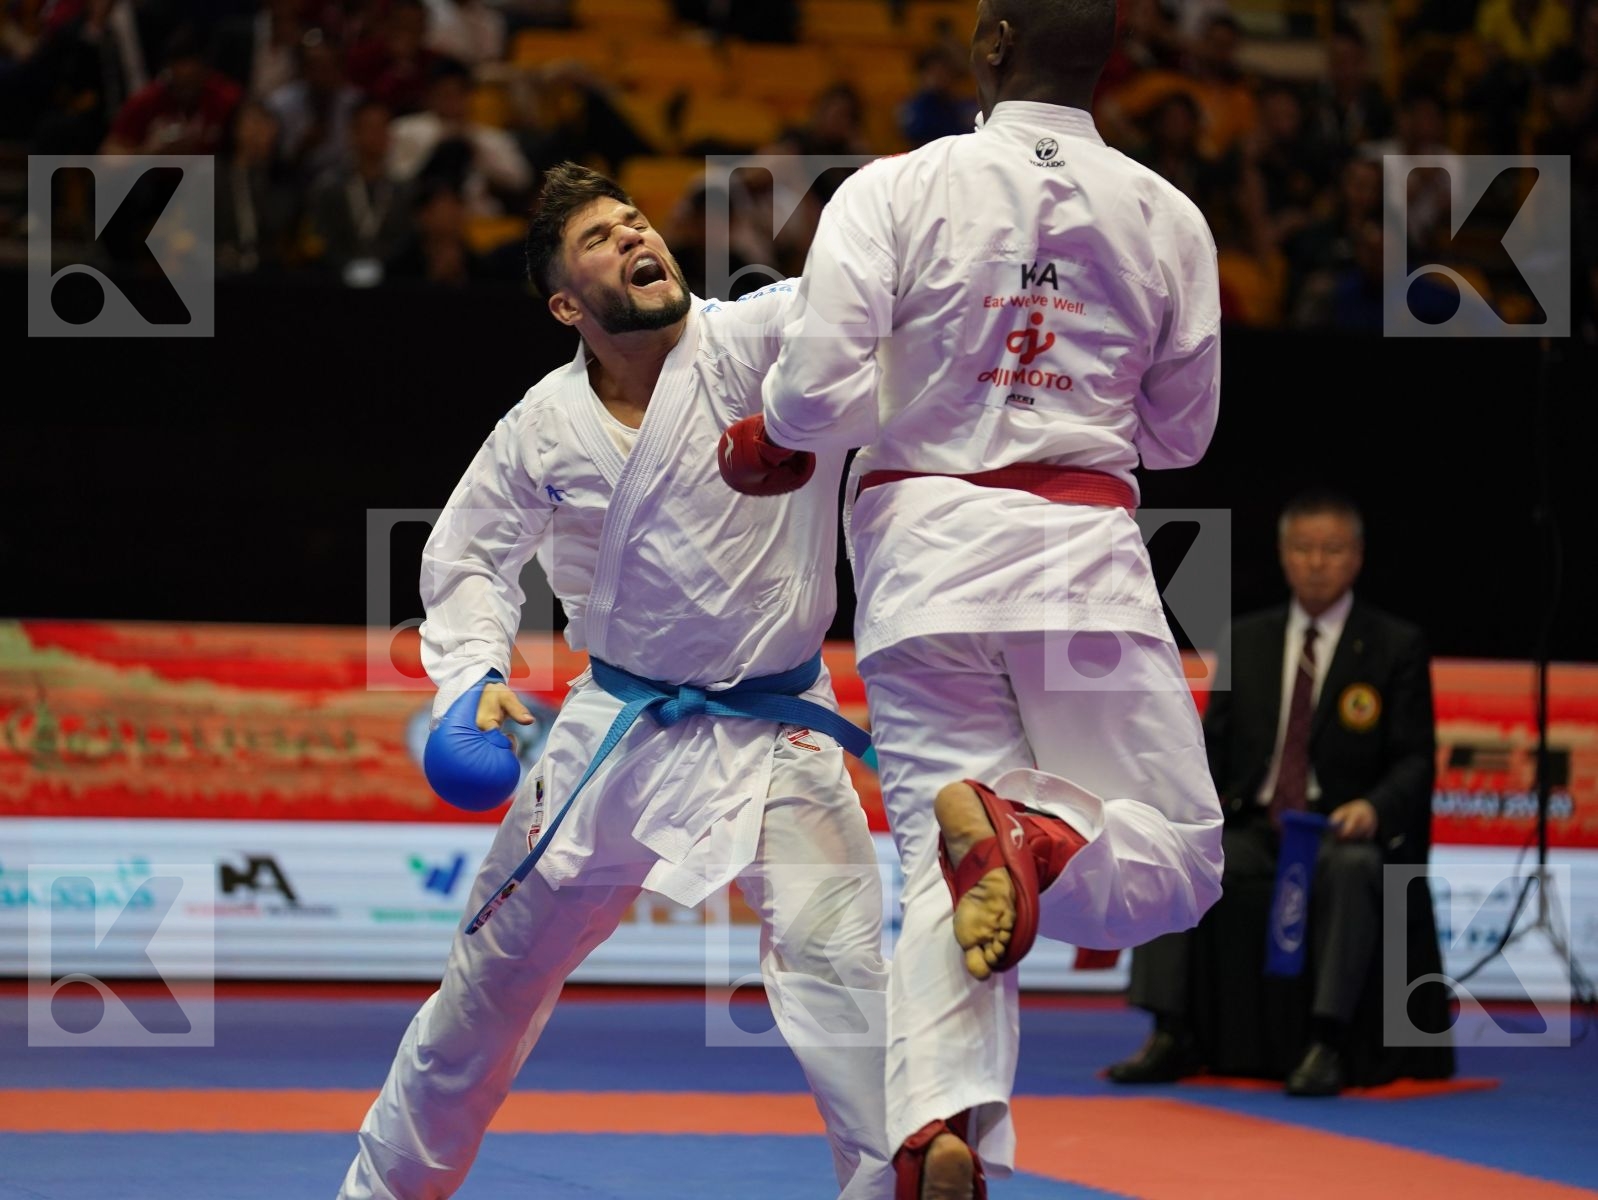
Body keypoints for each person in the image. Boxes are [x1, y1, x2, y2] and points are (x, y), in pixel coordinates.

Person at [718, 2, 1225, 1195]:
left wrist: (773, 434)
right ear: (1103, 60)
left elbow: (815, 384)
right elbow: (1185, 435)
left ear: (990, 44)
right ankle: (1042, 838)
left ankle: (932, 1135)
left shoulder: (893, 189)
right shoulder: (1168, 214)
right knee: (1185, 860)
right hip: (1078, 561)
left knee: (944, 864)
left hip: (920, 565)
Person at [337, 163, 893, 1199]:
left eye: (634, 220)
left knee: (849, 997)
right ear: (565, 302)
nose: (634, 234)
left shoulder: (758, 342)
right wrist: (469, 683)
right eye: (599, 237)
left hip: (781, 732)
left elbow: (852, 308)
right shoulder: (542, 426)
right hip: (614, 732)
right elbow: (466, 561)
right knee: (485, 991)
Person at [1109, 491, 1449, 1096]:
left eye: (1332, 549)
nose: (1317, 562)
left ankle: (1326, 1040)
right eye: (1303, 548)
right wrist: (1184, 813)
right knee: (1174, 856)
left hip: (1337, 834)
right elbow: (1208, 747)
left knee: (1350, 870)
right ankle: (1169, 1031)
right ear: (1284, 554)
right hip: (1256, 829)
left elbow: (1415, 759)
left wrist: (1372, 808)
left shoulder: (1396, 645)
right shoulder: (1247, 637)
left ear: (1358, 556)